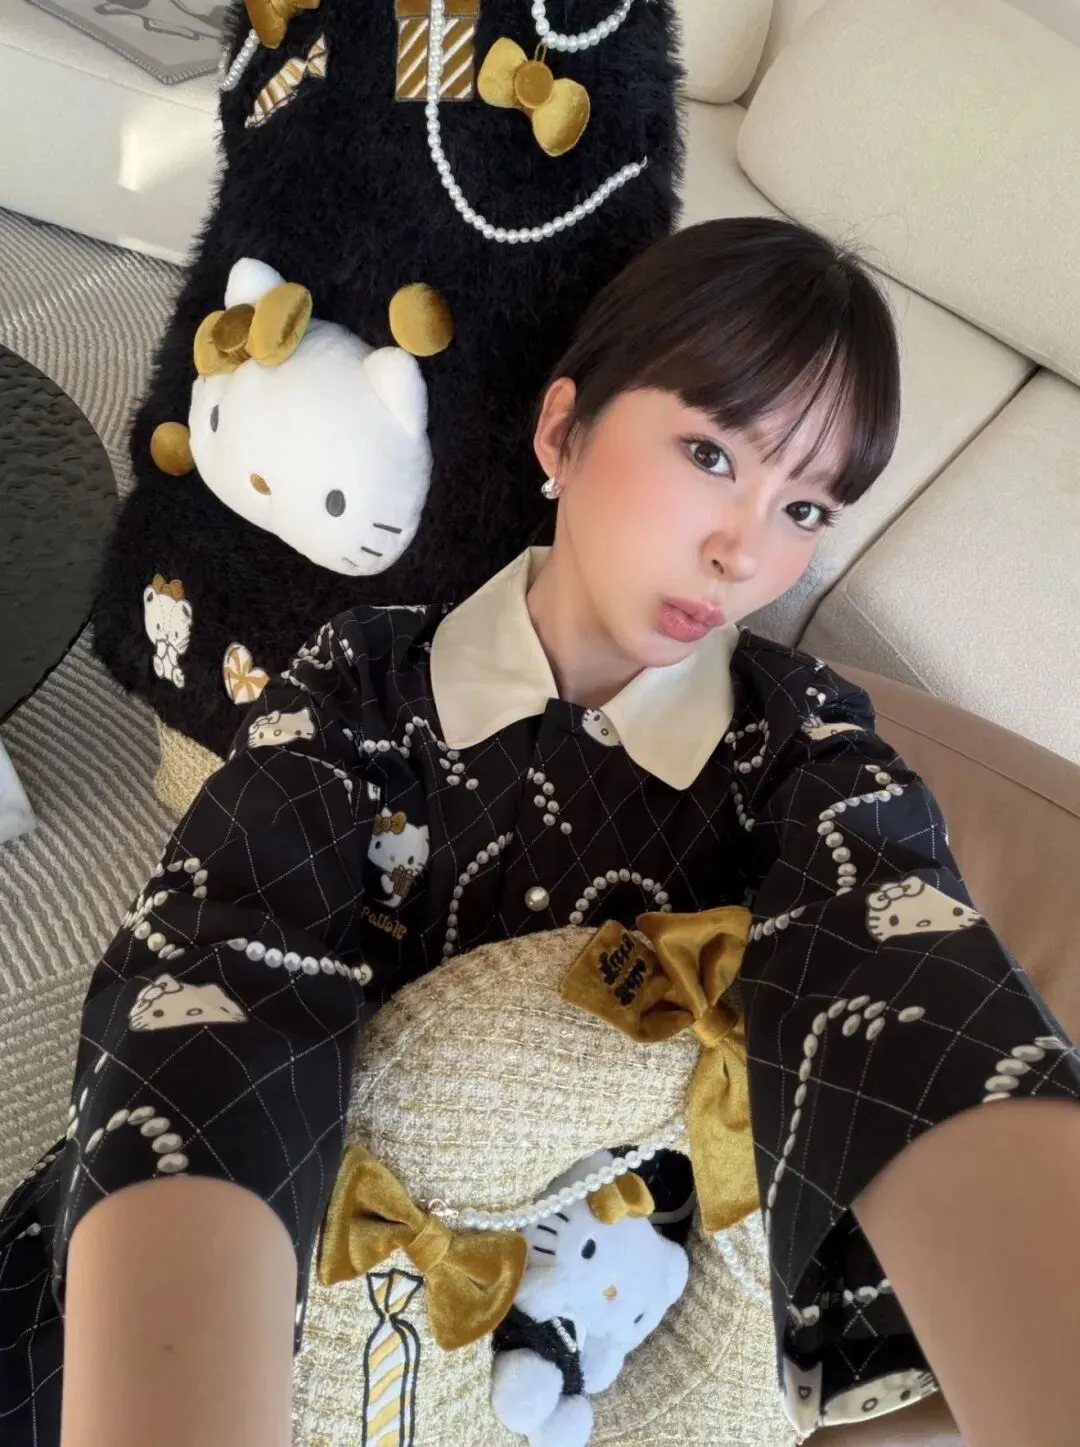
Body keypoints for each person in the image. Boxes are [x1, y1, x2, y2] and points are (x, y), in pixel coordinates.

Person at [1, 218, 1078, 1447]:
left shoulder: (805, 752)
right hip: (267, 1268)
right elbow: (220, 966)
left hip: (571, 1340)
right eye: (711, 453)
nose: (744, 552)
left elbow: (905, 966)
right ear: (562, 430)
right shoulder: (359, 683)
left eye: (806, 507)